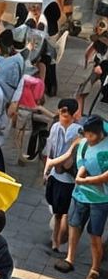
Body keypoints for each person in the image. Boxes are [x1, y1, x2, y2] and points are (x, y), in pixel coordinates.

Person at [62, 115, 108, 279]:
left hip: (100, 199)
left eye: (91, 135)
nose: (88, 139)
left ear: (99, 133)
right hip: (80, 194)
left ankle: (95, 268)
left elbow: (105, 176)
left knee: (95, 235)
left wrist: (84, 180)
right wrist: (81, 177)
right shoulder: (83, 143)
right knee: (74, 226)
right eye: (86, 135)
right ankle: (70, 258)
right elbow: (82, 163)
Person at [44, 99, 84, 258]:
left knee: (65, 212)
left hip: (69, 177)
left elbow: (74, 156)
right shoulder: (55, 127)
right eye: (61, 114)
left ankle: (58, 241)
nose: (63, 118)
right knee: (57, 209)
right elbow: (50, 149)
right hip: (55, 174)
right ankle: (56, 238)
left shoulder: (79, 132)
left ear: (74, 115)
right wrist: (47, 170)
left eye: (66, 115)